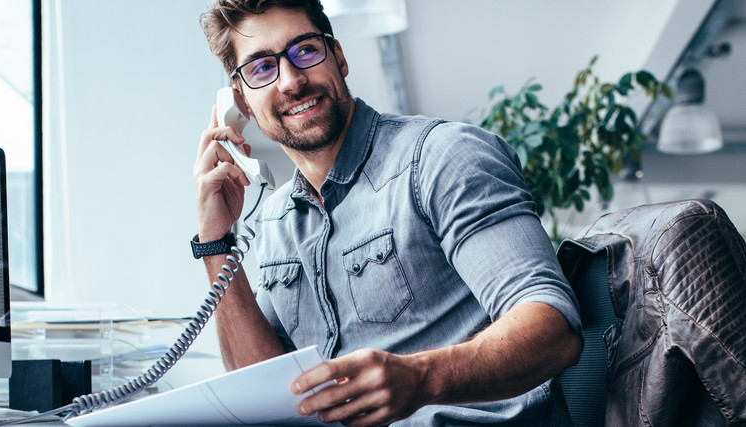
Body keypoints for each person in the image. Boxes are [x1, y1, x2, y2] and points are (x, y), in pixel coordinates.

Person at [193, 1, 583, 425]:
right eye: (262, 68)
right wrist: (216, 241)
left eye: (305, 50)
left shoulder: (442, 157)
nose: (291, 81)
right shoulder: (274, 224)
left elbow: (553, 327)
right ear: (241, 103)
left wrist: (422, 378)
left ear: (338, 56)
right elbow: (266, 392)